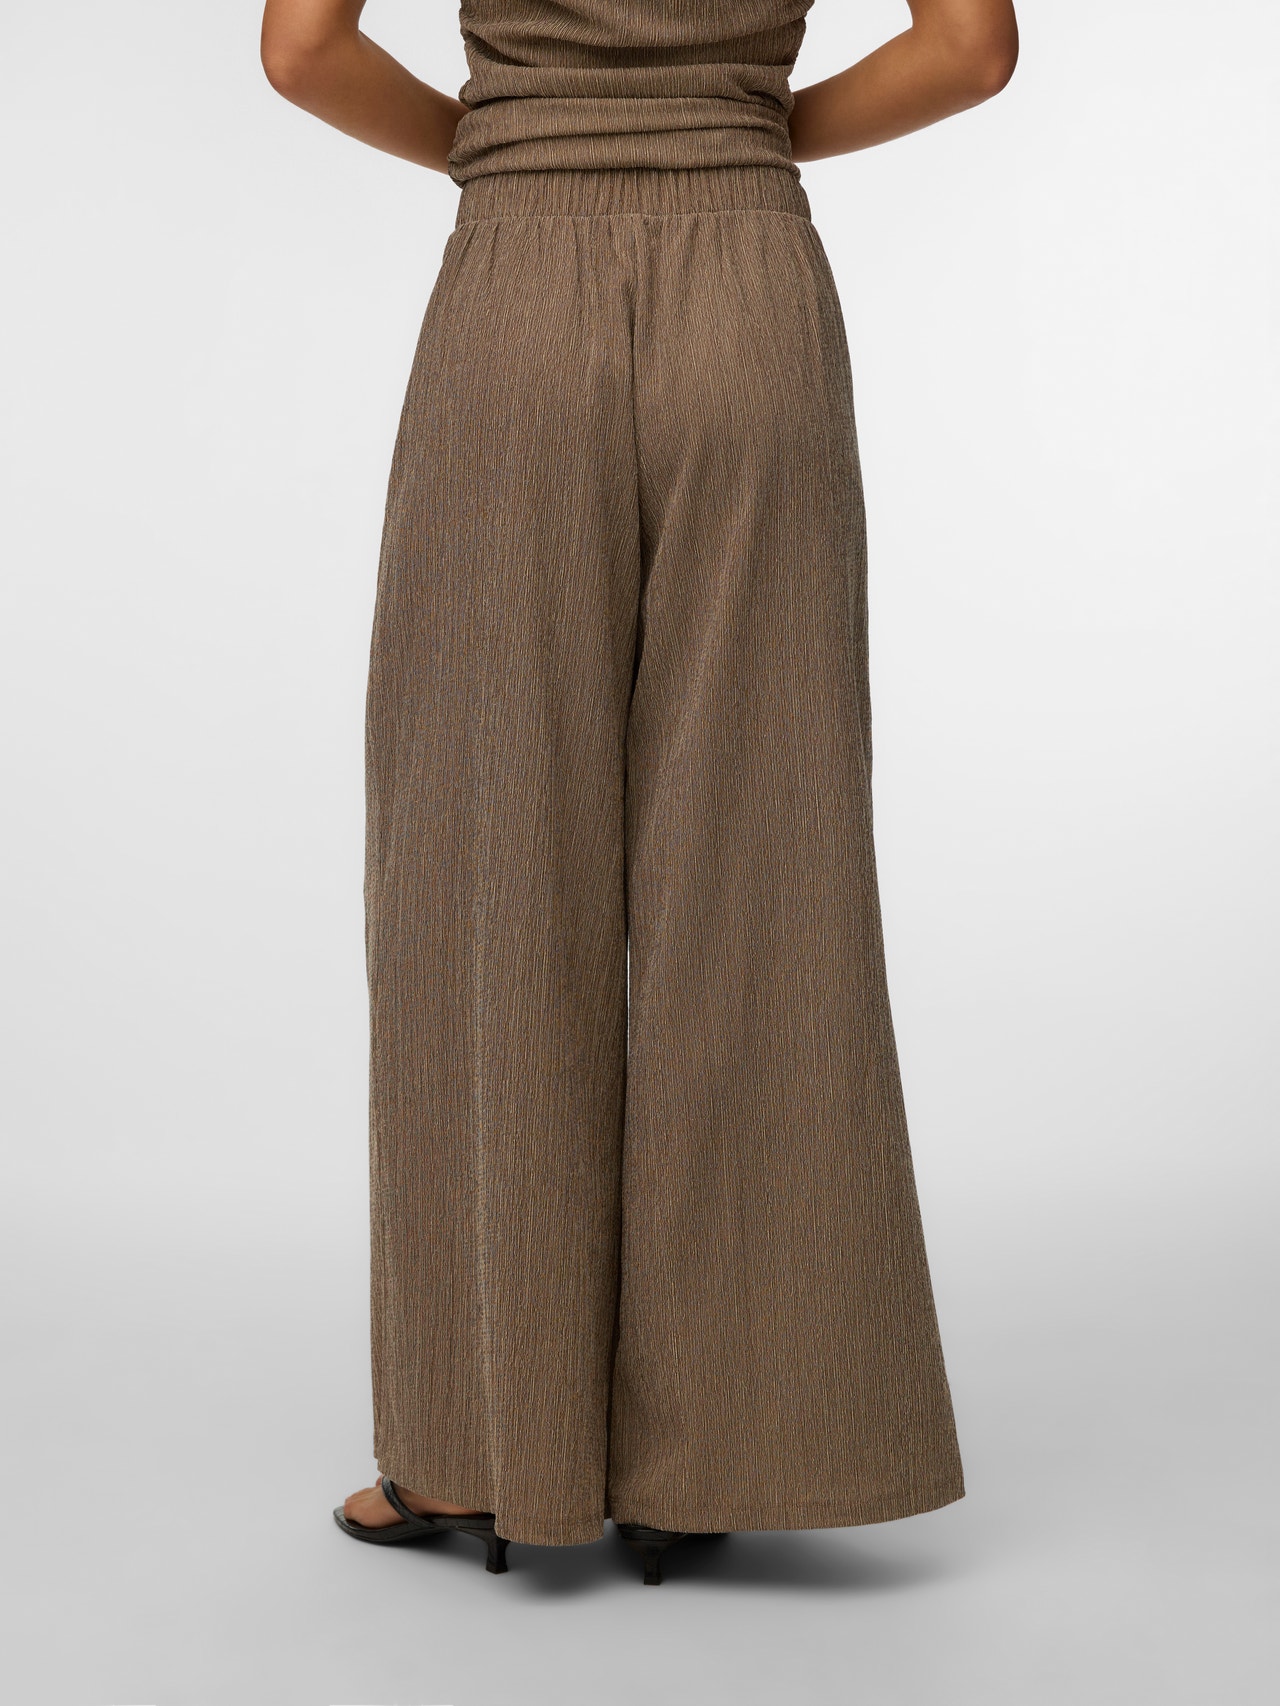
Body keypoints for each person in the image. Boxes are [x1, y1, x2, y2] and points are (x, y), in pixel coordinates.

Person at [260, 0, 1018, 1585]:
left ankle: (484, 1444)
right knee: (765, 856)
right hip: (755, 291)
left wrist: (500, 143)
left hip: (515, 298)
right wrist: (748, 131)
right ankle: (726, 1445)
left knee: (489, 855)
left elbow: (303, 50)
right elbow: (970, 49)